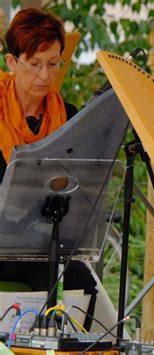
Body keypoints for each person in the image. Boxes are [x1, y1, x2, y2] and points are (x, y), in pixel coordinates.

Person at [0, 8, 97, 330]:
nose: (45, 75)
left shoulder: (67, 116)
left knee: (81, 282)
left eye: (53, 64)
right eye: (35, 64)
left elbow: (79, 188)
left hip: (38, 243)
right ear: (12, 62)